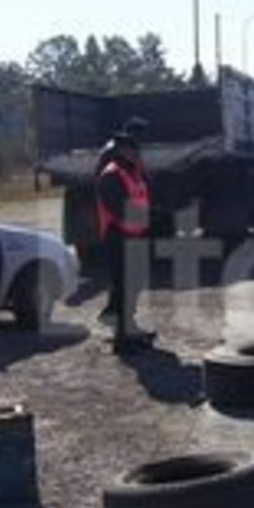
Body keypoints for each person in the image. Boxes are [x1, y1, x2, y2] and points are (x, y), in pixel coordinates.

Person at [97, 123, 153, 353]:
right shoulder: (111, 175)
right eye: (131, 150)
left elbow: (141, 200)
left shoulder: (134, 172)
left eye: (136, 150)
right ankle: (122, 339)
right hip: (117, 235)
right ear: (121, 151)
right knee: (122, 286)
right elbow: (119, 207)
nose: (135, 154)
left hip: (135, 234)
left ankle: (131, 328)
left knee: (135, 284)